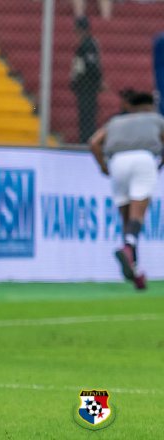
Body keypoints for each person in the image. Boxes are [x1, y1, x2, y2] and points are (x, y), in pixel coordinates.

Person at [89, 91, 164, 290]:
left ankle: (136, 273)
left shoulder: (115, 122)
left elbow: (94, 142)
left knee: (127, 221)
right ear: (149, 106)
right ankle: (128, 248)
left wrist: (103, 166)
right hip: (143, 159)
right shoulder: (156, 119)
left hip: (117, 162)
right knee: (137, 216)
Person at [70, 16, 103, 143]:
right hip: (85, 84)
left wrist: (97, 80)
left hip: (87, 84)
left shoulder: (88, 44)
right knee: (86, 114)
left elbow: (91, 64)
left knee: (87, 114)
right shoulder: (86, 43)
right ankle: (86, 139)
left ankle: (87, 140)